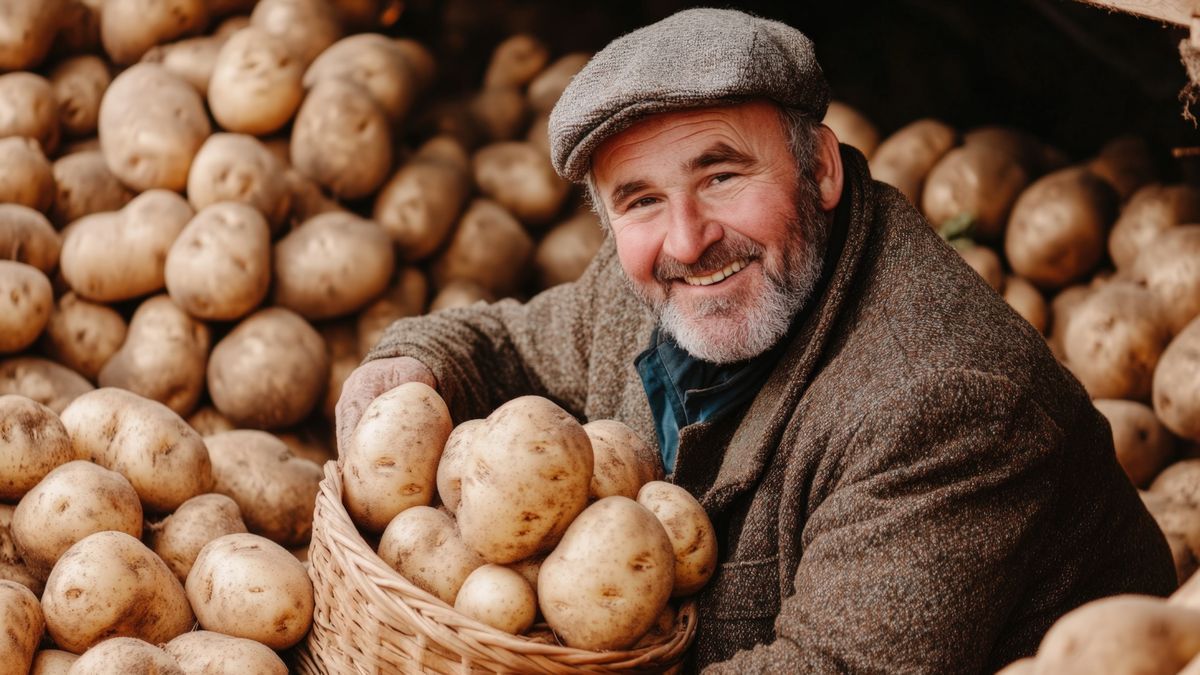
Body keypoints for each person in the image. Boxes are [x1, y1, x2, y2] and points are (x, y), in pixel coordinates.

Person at [337, 8, 1176, 673]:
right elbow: (505, 344)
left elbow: (835, 668)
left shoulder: (947, 401)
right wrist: (408, 367)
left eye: (722, 175)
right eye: (639, 200)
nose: (688, 238)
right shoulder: (648, 277)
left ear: (820, 168)